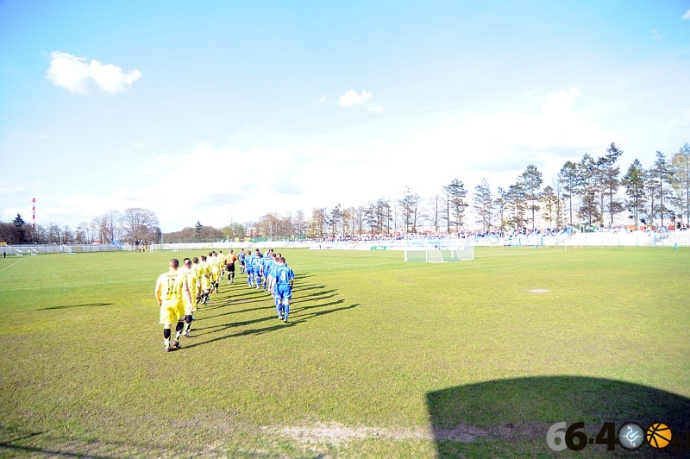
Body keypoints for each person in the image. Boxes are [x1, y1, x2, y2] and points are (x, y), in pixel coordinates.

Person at [154, 258, 192, 352]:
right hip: (177, 301)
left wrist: (159, 300)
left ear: (169, 266)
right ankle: (176, 339)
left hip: (166, 302)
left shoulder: (162, 276)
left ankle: (167, 345)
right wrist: (190, 302)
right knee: (181, 320)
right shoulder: (182, 275)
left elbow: (157, 291)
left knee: (167, 324)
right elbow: (186, 290)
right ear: (178, 266)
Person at [180, 257, 200, 337]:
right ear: (191, 264)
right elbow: (198, 284)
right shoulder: (193, 272)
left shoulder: (180, 271)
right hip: (191, 294)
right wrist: (199, 292)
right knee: (190, 313)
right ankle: (186, 330)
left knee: (184, 311)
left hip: (181, 294)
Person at [271, 256, 294, 323]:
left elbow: (274, 279)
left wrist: (272, 287)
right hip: (286, 286)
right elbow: (292, 279)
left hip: (278, 286)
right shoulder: (289, 268)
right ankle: (286, 316)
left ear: (279, 262)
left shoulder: (276, 269)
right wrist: (292, 285)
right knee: (286, 301)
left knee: (279, 301)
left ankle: (280, 314)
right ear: (284, 261)